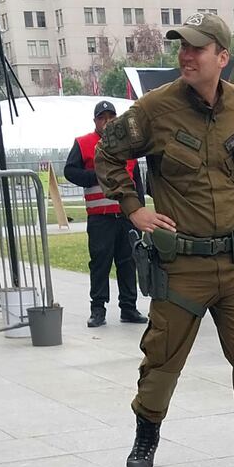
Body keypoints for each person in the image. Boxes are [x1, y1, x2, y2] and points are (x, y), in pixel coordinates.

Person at [94, 13, 234, 467]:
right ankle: (145, 441)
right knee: (162, 359)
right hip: (181, 266)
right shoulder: (154, 109)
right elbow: (107, 154)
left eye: (196, 48)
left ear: (222, 57)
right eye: (182, 47)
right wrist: (134, 209)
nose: (185, 56)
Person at [63, 99, 146, 329]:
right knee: (100, 263)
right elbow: (70, 171)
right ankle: (98, 309)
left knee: (128, 262)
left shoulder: (128, 145)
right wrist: (94, 176)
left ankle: (128, 307)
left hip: (127, 216)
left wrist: (139, 209)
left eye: (111, 117)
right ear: (95, 121)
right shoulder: (83, 143)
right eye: (102, 118)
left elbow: (136, 181)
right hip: (100, 217)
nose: (107, 122)